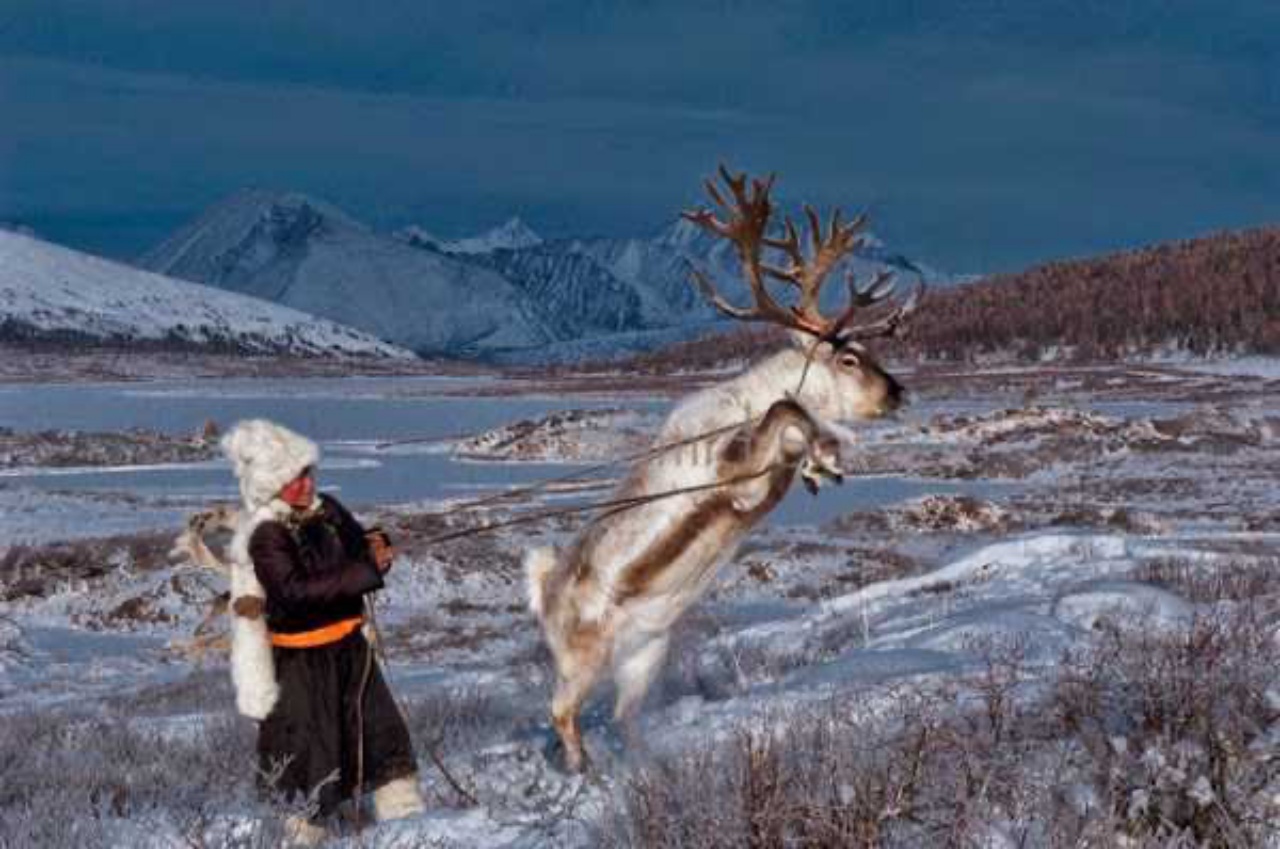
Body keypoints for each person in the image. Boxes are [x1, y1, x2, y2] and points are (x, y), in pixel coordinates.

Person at [221, 419, 424, 844]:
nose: (304, 484)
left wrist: (376, 543)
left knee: (385, 744)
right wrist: (366, 572)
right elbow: (293, 593)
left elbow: (355, 546)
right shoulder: (265, 536)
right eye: (292, 479)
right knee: (311, 766)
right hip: (302, 667)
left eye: (306, 473)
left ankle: (411, 834)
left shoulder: (328, 509)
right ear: (271, 487)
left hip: (351, 652)